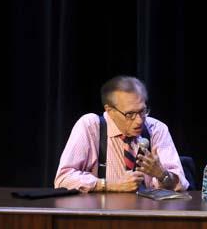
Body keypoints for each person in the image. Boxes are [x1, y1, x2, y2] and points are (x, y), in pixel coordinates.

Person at [55, 75, 188, 192]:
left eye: (142, 111)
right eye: (130, 114)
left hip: (147, 213)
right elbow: (63, 179)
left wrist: (162, 175)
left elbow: (181, 184)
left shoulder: (156, 129)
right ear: (109, 110)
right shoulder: (90, 126)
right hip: (103, 214)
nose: (139, 120)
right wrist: (109, 185)